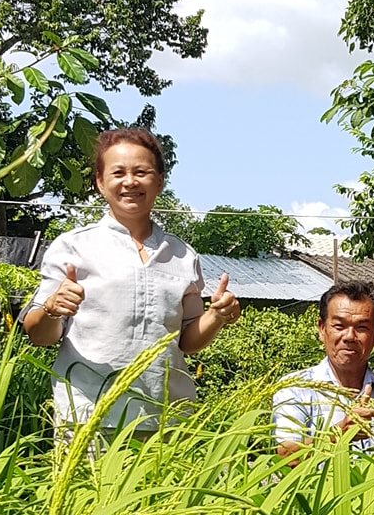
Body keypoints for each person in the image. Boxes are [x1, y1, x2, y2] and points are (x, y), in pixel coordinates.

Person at [21, 125, 241, 435]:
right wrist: (53, 308)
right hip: (89, 416)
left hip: (166, 417)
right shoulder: (74, 247)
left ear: (160, 182)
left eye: (142, 172)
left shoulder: (182, 255)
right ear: (100, 182)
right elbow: (39, 334)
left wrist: (216, 316)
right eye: (118, 172)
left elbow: (188, 342)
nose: (130, 182)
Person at [274, 281, 374, 456]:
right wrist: (340, 433)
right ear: (321, 329)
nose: (349, 336)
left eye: (361, 327)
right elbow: (286, 456)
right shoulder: (294, 388)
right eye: (339, 326)